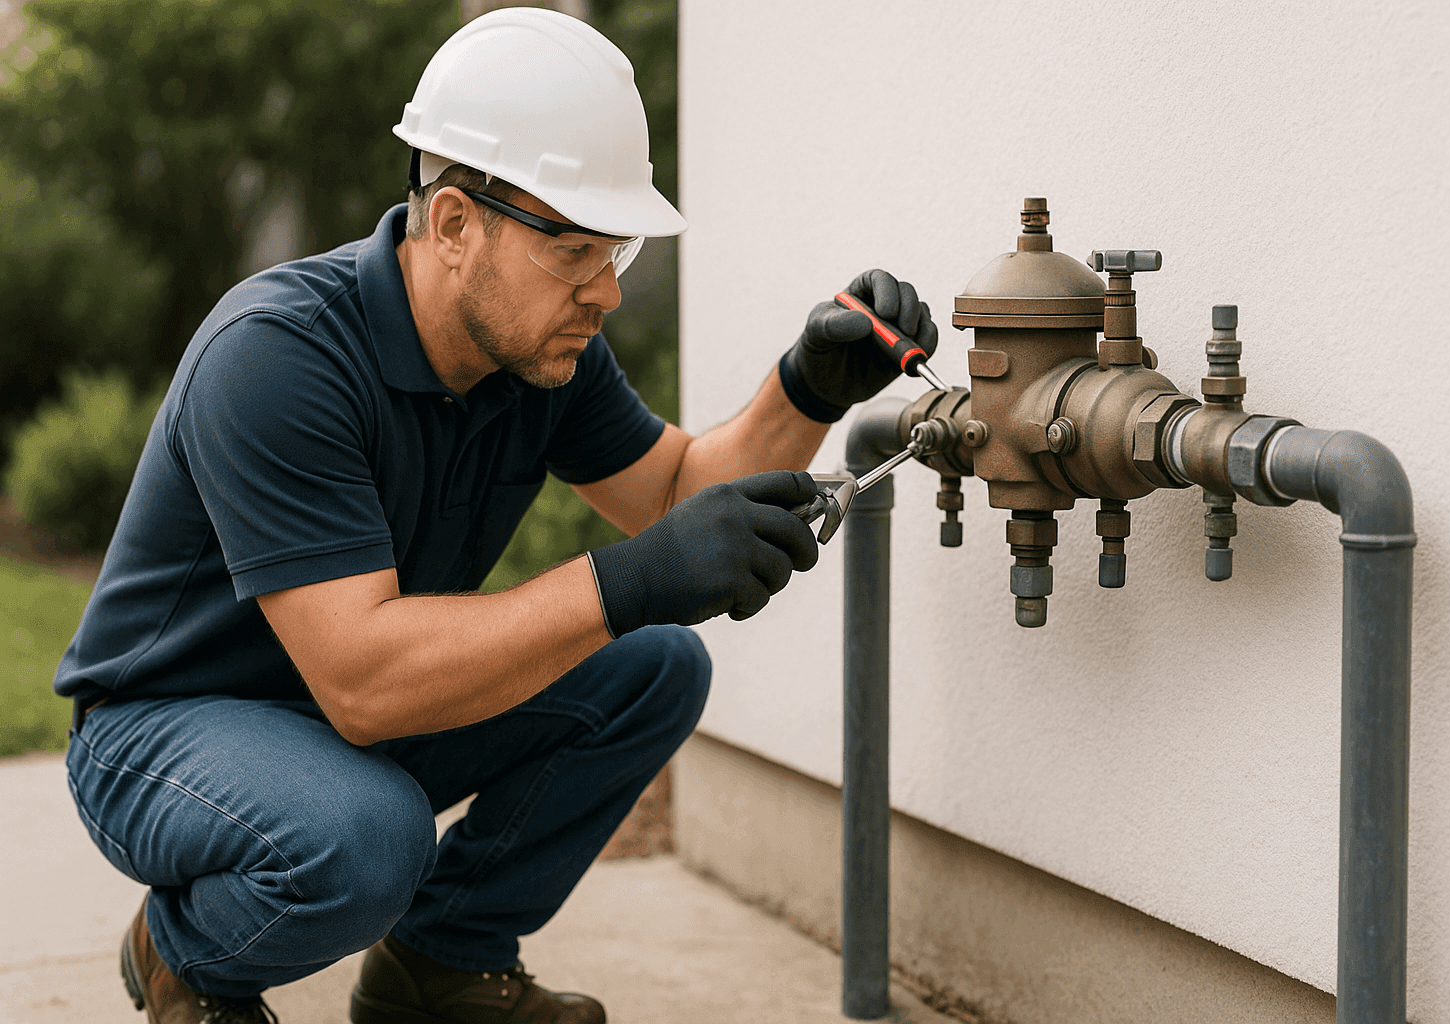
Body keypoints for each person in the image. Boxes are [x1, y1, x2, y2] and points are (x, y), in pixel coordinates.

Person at [54, 9, 937, 1024]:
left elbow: (674, 495)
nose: (605, 291)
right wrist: (625, 580)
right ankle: (183, 952)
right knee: (367, 837)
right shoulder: (277, 357)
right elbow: (365, 681)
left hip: (336, 716)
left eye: (618, 253)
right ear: (455, 224)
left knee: (654, 669)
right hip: (166, 731)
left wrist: (808, 390)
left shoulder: (535, 354)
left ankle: (438, 964)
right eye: (575, 253)